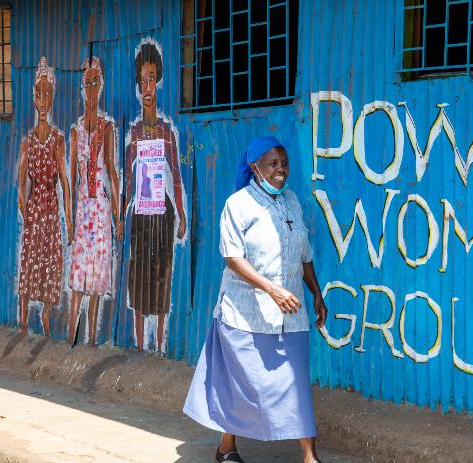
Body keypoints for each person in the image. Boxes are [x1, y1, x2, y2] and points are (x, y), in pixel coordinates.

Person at [183, 136, 328, 463]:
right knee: (240, 385)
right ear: (255, 167)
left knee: (297, 385)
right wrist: (271, 289)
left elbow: (303, 254)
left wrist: (316, 293)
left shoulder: (291, 200)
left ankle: (309, 456)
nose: (281, 170)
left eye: (285, 163)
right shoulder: (238, 204)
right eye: (273, 164)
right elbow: (232, 257)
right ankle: (226, 447)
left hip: (290, 315)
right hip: (245, 314)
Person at [124, 40, 186, 352]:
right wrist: (122, 212)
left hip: (162, 213)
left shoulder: (166, 132)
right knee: (138, 276)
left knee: (161, 273)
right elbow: (126, 179)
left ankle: (160, 344)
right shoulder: (134, 134)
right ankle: (139, 343)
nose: (146, 86)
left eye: (151, 78)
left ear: (157, 80)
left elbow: (175, 173)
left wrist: (183, 214)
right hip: (140, 214)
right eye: (141, 80)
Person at [17, 56, 73, 336]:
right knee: (29, 259)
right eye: (38, 93)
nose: (42, 100)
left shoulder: (58, 140)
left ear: (52, 99)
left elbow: (64, 181)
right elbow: (21, 180)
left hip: (50, 212)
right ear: (33, 97)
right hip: (34, 210)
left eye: (46, 94)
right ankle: (23, 316)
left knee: (50, 261)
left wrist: (69, 220)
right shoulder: (28, 140)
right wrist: (22, 206)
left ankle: (47, 313)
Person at [68, 56, 122, 346]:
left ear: (101, 86)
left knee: (98, 274)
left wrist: (118, 213)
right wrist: (69, 214)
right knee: (78, 273)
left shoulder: (108, 127)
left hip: (100, 208)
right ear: (82, 86)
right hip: (83, 208)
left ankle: (89, 341)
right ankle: (71, 339)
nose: (90, 88)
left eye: (95, 83)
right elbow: (72, 172)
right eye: (86, 83)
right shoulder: (76, 131)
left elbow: (112, 170)